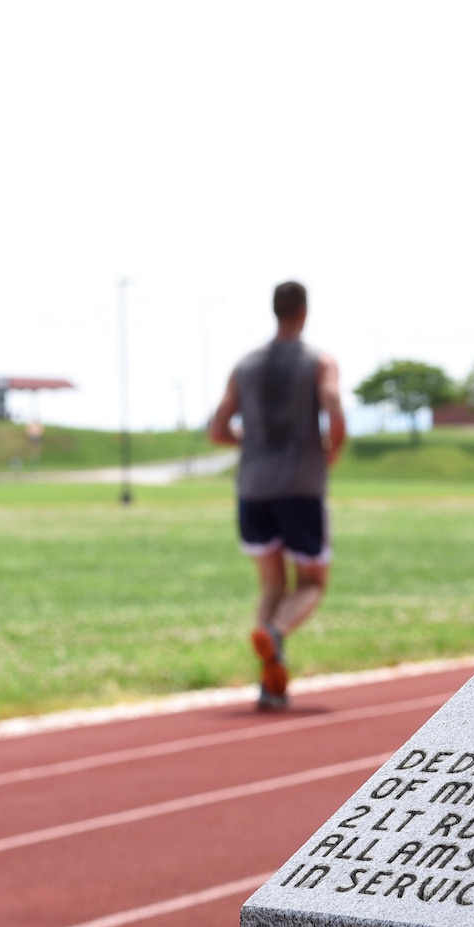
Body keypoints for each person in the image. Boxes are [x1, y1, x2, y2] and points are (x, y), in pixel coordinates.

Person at [208, 281, 347, 710]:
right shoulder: (318, 361)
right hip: (300, 487)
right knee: (311, 583)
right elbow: (334, 406)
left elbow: (216, 430)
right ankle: (276, 634)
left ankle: (269, 684)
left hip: (252, 488)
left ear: (274, 310)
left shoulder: (244, 365)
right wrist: (330, 452)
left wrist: (248, 444)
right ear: (303, 311)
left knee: (271, 582)